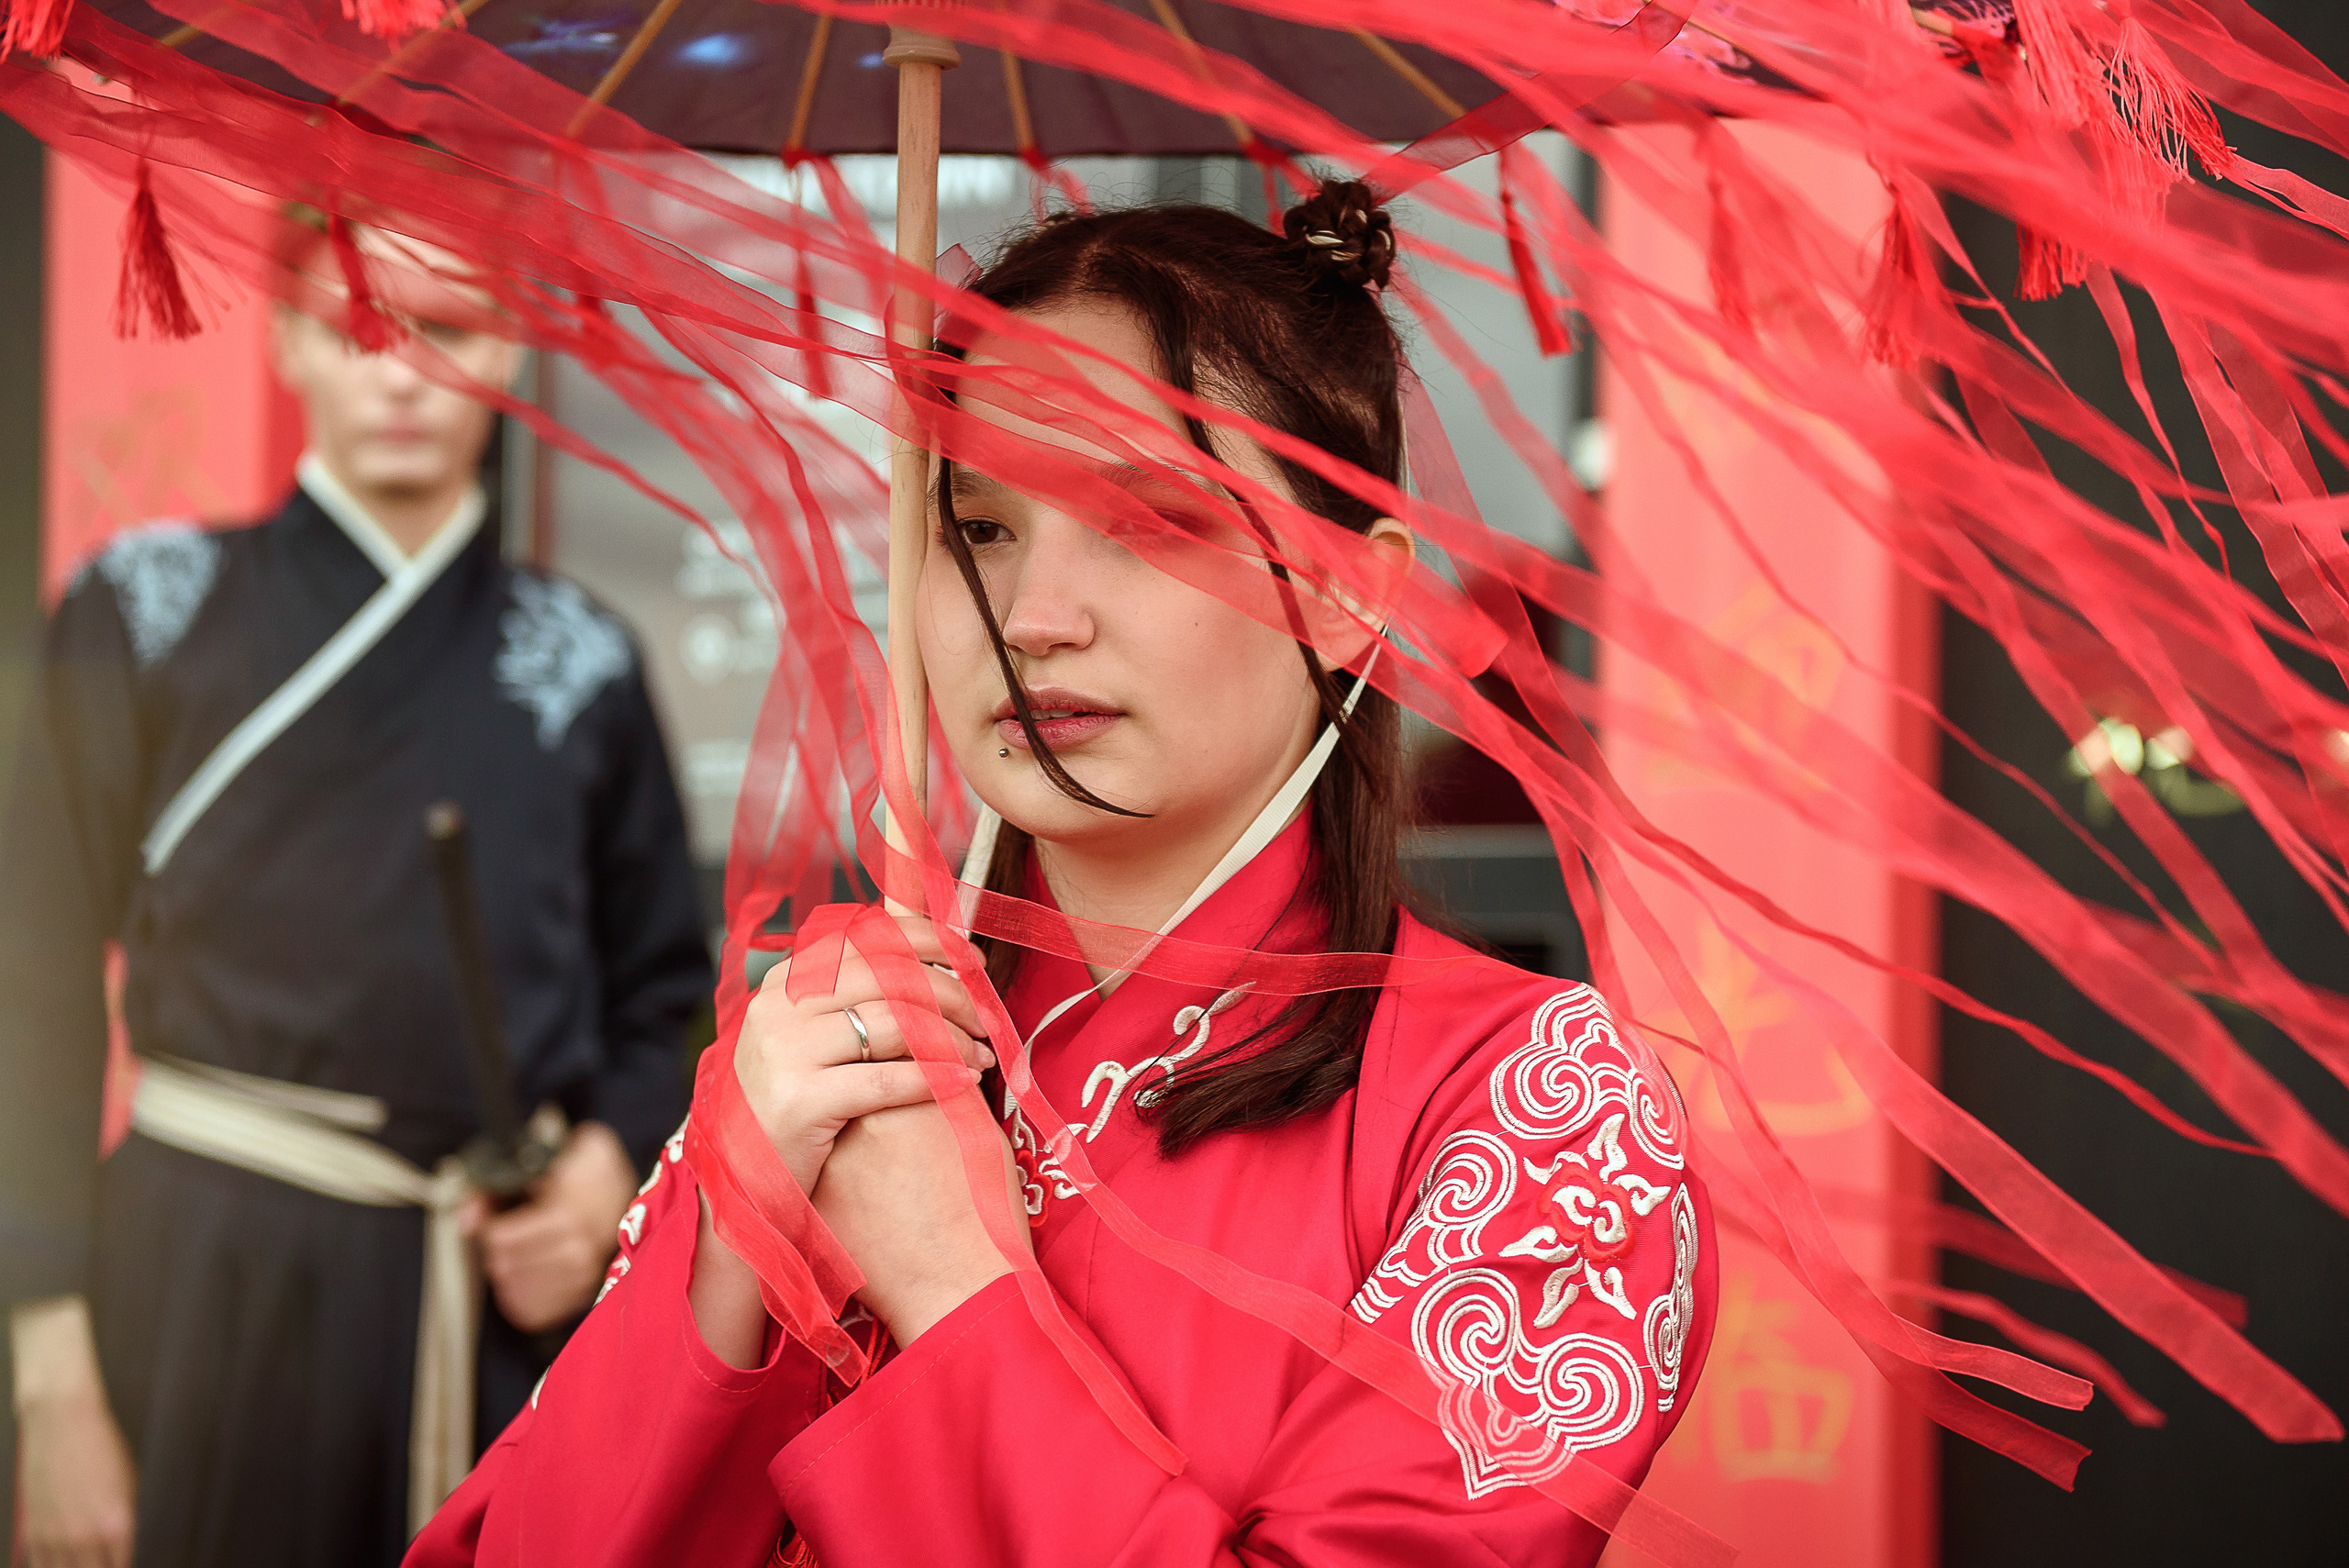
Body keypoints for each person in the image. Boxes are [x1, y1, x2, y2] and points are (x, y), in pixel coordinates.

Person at [409, 183, 1714, 1568]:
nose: (1032, 620)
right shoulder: (834, 1046)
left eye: (1145, 523)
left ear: (1348, 589)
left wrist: (950, 1283)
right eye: (979, 529)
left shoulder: (1539, 1115)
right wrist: (735, 1227)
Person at [0, 218, 713, 1568]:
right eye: (359, 327)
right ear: (285, 340)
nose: (402, 373)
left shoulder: (584, 664)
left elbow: (668, 993)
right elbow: (25, 985)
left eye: (450, 330)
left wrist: (607, 1172)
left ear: (511, 353)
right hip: (195, 1285)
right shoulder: (141, 611)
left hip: (490, 1294)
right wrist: (49, 1374)